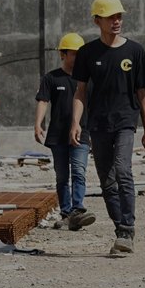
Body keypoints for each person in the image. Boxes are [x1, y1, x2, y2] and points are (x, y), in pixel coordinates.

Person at [70, 0, 145, 256]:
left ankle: (128, 229)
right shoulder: (87, 53)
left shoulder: (135, 51)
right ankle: (120, 230)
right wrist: (76, 122)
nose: (116, 21)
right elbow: (80, 92)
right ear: (98, 20)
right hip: (97, 125)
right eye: (111, 17)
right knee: (107, 182)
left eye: (119, 16)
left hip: (125, 122)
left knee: (123, 170)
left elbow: (142, 92)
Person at [35, 33, 95, 230]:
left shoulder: (88, 80)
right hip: (58, 135)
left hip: (82, 133)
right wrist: (38, 123)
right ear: (63, 54)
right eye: (74, 54)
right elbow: (43, 101)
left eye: (81, 54)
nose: (77, 58)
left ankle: (78, 210)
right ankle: (66, 213)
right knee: (62, 176)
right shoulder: (51, 78)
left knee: (79, 171)